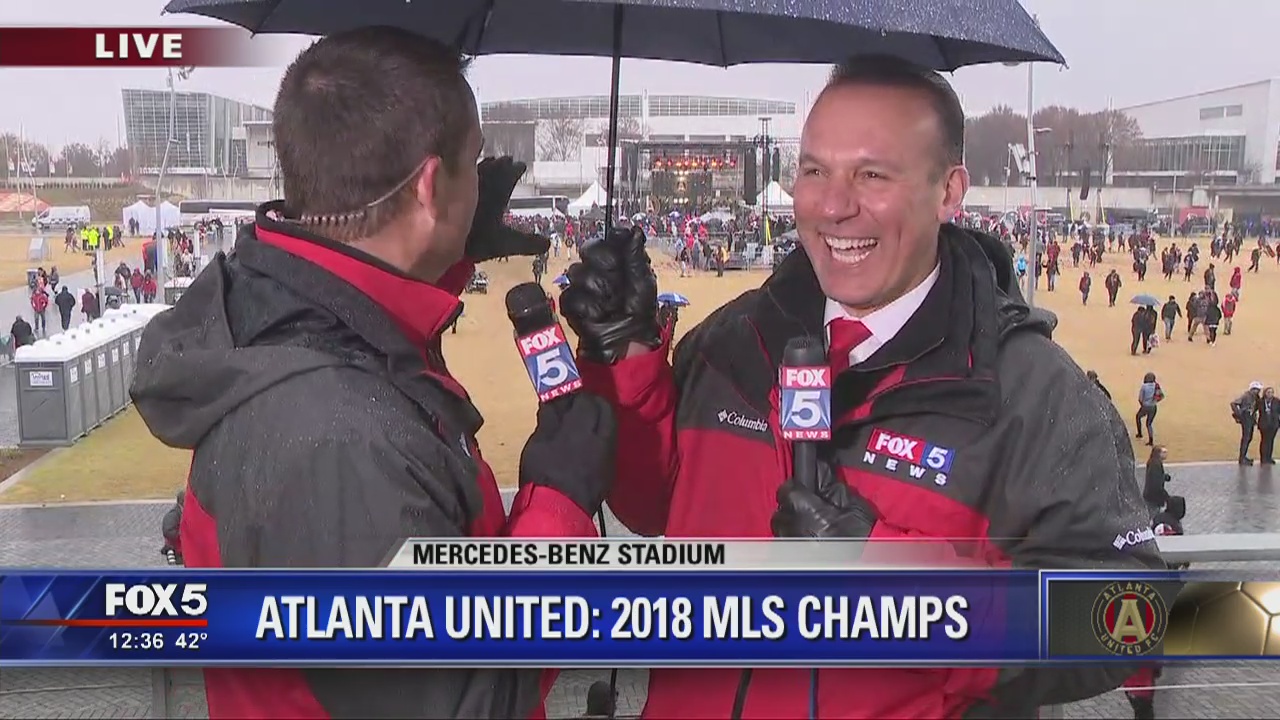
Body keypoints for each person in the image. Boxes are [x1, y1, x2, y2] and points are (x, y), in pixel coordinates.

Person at [560, 55, 1162, 719]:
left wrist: (890, 577)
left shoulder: (1031, 393)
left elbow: (1122, 620)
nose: (834, 205)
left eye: (871, 174)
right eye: (815, 170)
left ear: (949, 192)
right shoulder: (735, 341)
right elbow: (657, 509)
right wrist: (627, 362)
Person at [130, 26, 616, 719]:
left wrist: (443, 242)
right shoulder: (340, 439)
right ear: (427, 185)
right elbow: (469, 702)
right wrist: (559, 508)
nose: (485, 182)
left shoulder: (292, 316)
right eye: (474, 164)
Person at [1231, 381, 1264, 465]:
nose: (1257, 391)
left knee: (1249, 437)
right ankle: (1242, 458)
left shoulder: (1256, 398)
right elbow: (1234, 403)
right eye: (1255, 389)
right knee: (1246, 438)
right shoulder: (1246, 396)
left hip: (1251, 419)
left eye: (1258, 390)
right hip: (1246, 418)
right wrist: (1239, 414)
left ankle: (1243, 456)